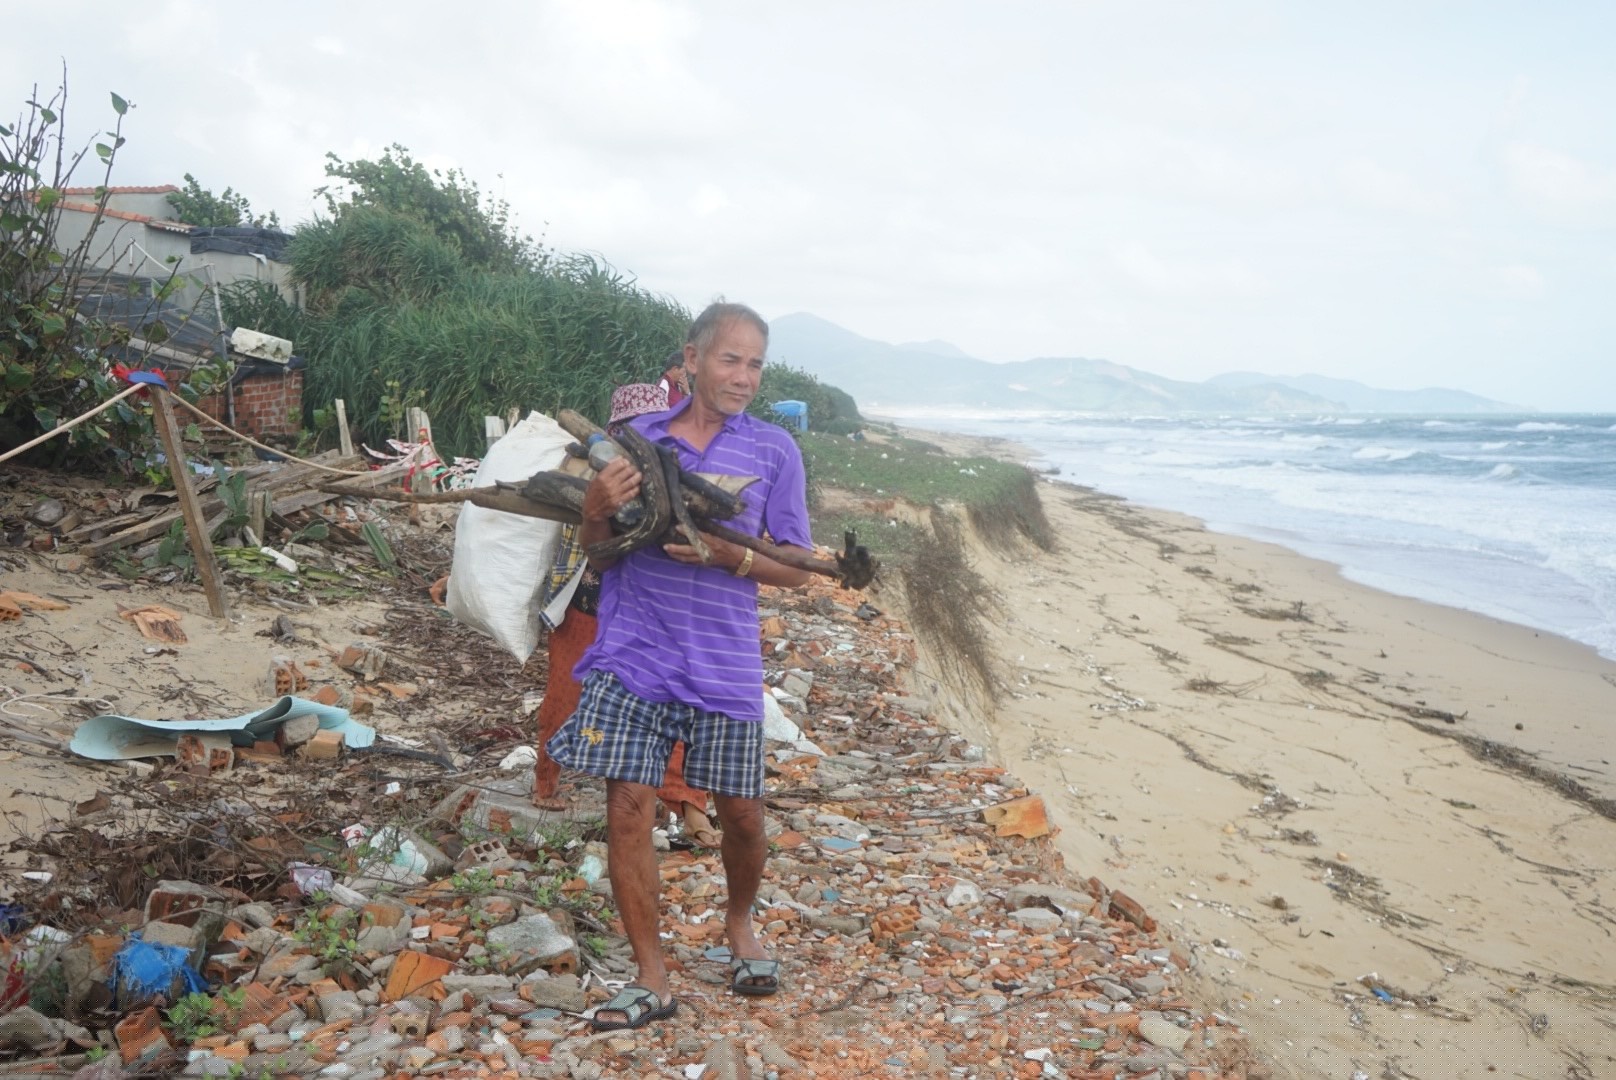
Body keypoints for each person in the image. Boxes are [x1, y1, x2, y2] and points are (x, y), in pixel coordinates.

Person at [547, 302, 812, 1030]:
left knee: (743, 816)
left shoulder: (774, 451)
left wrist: (730, 555)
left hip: (723, 662)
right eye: (730, 359)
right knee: (628, 807)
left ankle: (738, 923)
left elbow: (797, 569)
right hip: (635, 654)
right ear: (690, 360)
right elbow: (596, 555)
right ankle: (652, 977)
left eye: (755, 363)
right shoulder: (636, 442)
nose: (744, 377)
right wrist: (596, 509)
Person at [532, 384, 721, 849]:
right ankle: (545, 782)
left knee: (675, 709)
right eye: (633, 430)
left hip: (651, 618)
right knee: (565, 692)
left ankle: (690, 806)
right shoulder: (592, 470)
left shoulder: (674, 477)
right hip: (589, 606)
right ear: (615, 432)